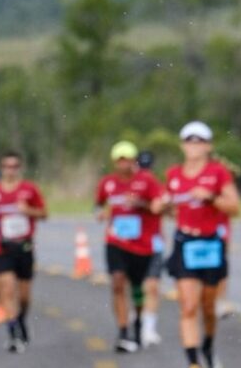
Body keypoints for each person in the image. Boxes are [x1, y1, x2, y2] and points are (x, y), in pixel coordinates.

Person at [164, 121, 240, 368]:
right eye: (189, 140)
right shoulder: (173, 174)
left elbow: (235, 207)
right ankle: (193, 361)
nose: (194, 146)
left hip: (210, 245)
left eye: (199, 141)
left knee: (208, 306)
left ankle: (207, 344)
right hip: (185, 243)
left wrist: (211, 197)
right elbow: (167, 207)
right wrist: (162, 206)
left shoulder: (218, 173)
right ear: (182, 145)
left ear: (208, 146)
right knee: (188, 305)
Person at [94, 140, 164, 353]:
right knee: (117, 283)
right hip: (116, 242)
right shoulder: (108, 183)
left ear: (134, 160)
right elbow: (99, 203)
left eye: (127, 159)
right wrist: (101, 212)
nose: (123, 164)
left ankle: (139, 322)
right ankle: (123, 332)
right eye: (119, 160)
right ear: (115, 162)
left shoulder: (147, 181)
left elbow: (159, 207)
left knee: (138, 289)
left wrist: (140, 204)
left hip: (142, 245)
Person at [0, 151, 47, 353]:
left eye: (14, 166)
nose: (10, 170)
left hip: (24, 247)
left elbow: (44, 213)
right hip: (3, 247)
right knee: (8, 289)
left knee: (24, 296)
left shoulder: (29, 189)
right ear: (1, 168)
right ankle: (13, 333)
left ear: (19, 168)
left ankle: (21, 320)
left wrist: (29, 211)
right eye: (6, 166)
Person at [136, 150, 165, 347]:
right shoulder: (129, 184)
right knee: (135, 287)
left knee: (152, 286)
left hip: (153, 242)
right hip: (131, 244)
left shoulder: (155, 184)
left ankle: (149, 328)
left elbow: (159, 207)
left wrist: (144, 203)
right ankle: (134, 321)